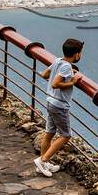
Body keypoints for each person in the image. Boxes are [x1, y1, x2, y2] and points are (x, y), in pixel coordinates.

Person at [34, 37, 84, 176]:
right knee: (65, 135)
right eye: (81, 53)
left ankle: (43, 165)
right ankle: (43, 160)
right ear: (76, 54)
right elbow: (56, 84)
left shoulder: (57, 61)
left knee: (49, 132)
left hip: (50, 100)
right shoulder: (67, 67)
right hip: (59, 105)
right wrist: (72, 81)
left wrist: (66, 77)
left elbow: (45, 74)